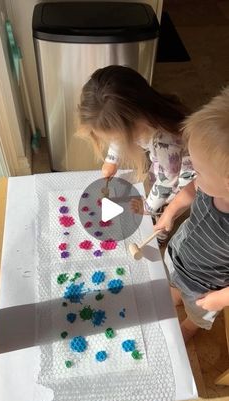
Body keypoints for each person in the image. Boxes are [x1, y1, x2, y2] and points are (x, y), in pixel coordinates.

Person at [78, 65, 195, 243]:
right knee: (156, 186)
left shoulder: (165, 142)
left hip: (184, 177)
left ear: (133, 127)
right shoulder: (141, 113)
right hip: (166, 167)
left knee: (164, 207)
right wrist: (112, 160)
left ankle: (159, 234)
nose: (115, 142)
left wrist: (147, 207)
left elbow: (167, 182)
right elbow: (118, 137)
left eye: (117, 138)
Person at [154, 86, 229, 342]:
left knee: (197, 311)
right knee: (173, 284)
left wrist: (220, 298)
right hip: (179, 253)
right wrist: (171, 212)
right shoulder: (212, 185)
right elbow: (190, 190)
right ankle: (175, 294)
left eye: (200, 170)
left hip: (205, 286)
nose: (194, 174)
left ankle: (190, 325)